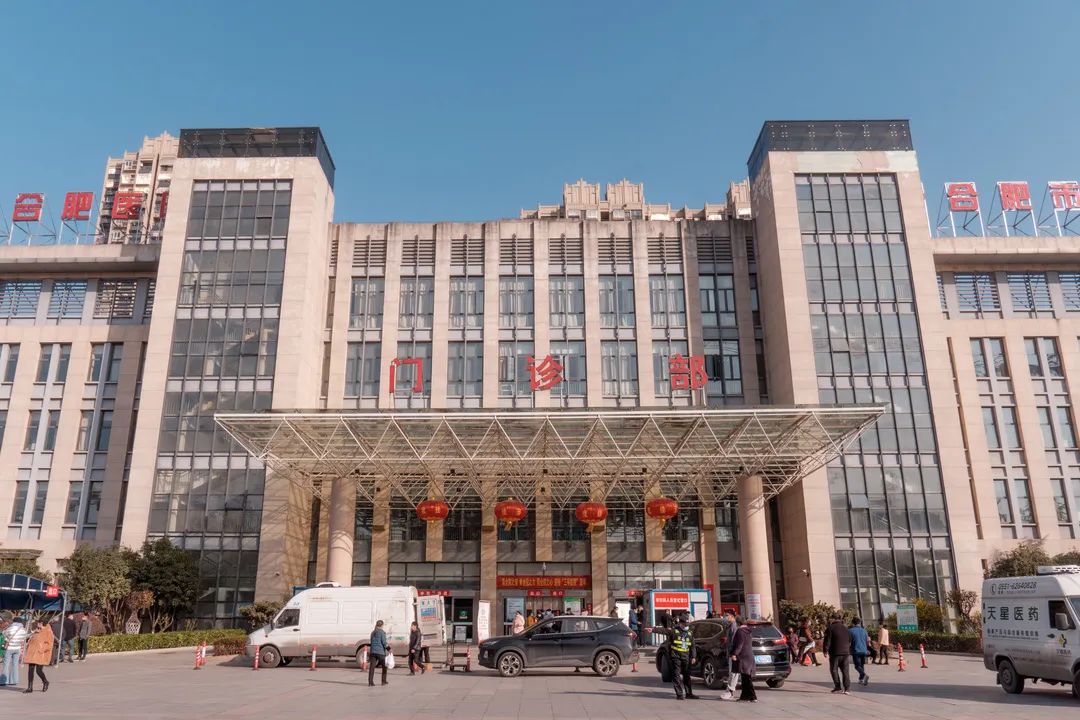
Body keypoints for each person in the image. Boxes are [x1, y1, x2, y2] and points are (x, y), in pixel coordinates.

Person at [666, 612, 698, 700]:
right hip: (676, 656)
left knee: (687, 675)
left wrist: (694, 656)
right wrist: (653, 630)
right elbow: (664, 631)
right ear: (680, 623)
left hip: (686, 656)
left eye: (687, 624)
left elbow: (693, 646)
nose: (686, 626)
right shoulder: (674, 631)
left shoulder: (690, 633)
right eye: (684, 624)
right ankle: (679, 694)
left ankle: (689, 693)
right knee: (676, 675)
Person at [823, 615, 852, 694]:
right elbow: (850, 640)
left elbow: (827, 640)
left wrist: (825, 650)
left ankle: (838, 687)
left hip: (835, 652)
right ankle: (847, 688)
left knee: (834, 670)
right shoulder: (846, 628)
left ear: (833, 619)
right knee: (845, 671)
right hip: (845, 652)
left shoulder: (830, 628)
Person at [731, 617, 757, 702]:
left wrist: (734, 654)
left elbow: (739, 644)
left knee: (746, 677)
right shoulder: (748, 631)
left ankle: (751, 697)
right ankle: (747, 696)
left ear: (738, 623)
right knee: (745, 677)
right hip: (749, 655)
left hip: (743, 657)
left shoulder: (740, 631)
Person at [23, 619, 53, 693]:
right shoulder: (36, 631)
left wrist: (42, 649)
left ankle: (45, 681)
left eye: (39, 623)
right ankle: (30, 688)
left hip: (40, 654)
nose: (37, 624)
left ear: (42, 623)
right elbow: (32, 640)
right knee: (30, 670)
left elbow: (50, 643)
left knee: (38, 671)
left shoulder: (48, 631)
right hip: (32, 653)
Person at [719, 609, 739, 700]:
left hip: (733, 653)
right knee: (732, 672)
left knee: (733, 673)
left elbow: (734, 641)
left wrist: (733, 653)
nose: (725, 617)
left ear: (732, 616)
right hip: (731, 652)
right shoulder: (730, 626)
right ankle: (730, 691)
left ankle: (730, 691)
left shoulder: (734, 626)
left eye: (727, 615)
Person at [1, 615, 27, 686]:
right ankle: (14, 680)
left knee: (6, 664)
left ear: (14, 621)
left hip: (9, 648)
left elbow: (4, 634)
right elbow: (24, 638)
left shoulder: (10, 628)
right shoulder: (23, 630)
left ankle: (4, 681)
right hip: (17, 648)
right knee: (15, 664)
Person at [849, 618, 869, 686]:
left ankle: (864, 675)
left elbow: (849, 641)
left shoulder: (850, 631)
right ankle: (861, 679)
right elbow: (867, 641)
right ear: (859, 623)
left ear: (852, 623)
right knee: (861, 665)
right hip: (864, 650)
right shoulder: (864, 631)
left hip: (856, 650)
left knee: (857, 666)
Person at [368, 619, 389, 686]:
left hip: (373, 652)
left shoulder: (373, 632)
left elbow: (371, 641)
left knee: (372, 667)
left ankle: (370, 682)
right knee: (384, 666)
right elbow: (384, 643)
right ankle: (383, 681)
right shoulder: (382, 632)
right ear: (382, 625)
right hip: (380, 652)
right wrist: (389, 649)